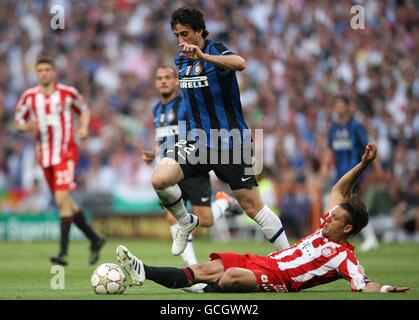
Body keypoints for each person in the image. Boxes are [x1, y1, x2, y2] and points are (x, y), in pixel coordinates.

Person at [116, 144, 409, 294]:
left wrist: (384, 289)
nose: (328, 216)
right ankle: (145, 272)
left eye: (335, 218)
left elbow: (363, 284)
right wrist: (364, 164)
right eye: (331, 213)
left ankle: (200, 288)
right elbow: (338, 189)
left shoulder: (344, 257)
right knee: (205, 267)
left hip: (281, 279)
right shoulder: (324, 229)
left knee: (229, 278)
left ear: (347, 228)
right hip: (266, 261)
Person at [150, 7, 289, 258]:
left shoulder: (215, 50)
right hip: (198, 141)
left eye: (185, 34)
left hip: (231, 141)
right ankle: (185, 222)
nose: (181, 41)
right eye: (177, 36)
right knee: (160, 179)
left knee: (252, 207)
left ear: (200, 30)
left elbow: (241, 63)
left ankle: (291, 260)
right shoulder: (180, 59)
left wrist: (203, 56)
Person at [143, 65, 242, 268]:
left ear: (176, 81)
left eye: (167, 77)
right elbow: (161, 138)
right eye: (159, 77)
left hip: (190, 166)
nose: (163, 81)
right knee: (173, 219)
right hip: (168, 170)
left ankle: (223, 202)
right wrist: (154, 153)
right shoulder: (156, 109)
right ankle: (193, 270)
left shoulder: (186, 106)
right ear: (155, 82)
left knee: (205, 220)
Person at [15, 56, 105, 266]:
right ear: (36, 73)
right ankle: (94, 239)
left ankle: (63, 253)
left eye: (47, 69)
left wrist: (83, 128)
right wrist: (28, 126)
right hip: (44, 158)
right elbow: (18, 122)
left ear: (54, 72)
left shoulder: (67, 93)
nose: (44, 73)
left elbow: (84, 111)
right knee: (65, 203)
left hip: (65, 153)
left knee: (62, 199)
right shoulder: (29, 97)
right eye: (40, 70)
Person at [322, 95, 380, 252]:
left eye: (341, 104)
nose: (338, 107)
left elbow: (369, 147)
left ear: (348, 107)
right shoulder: (333, 129)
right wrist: (323, 169)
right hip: (339, 174)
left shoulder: (355, 127)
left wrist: (376, 169)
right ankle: (368, 237)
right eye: (336, 105)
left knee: (350, 205)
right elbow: (329, 150)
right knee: (350, 206)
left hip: (354, 173)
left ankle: (368, 237)